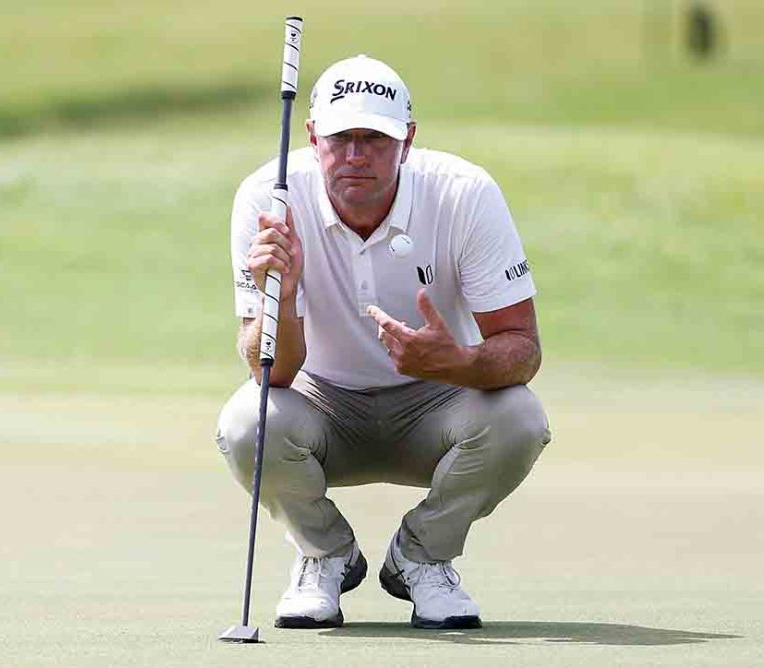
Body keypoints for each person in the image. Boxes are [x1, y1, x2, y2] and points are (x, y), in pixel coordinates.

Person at [215, 54, 551, 631]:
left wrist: (457, 362)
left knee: (520, 416)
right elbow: (272, 371)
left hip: (436, 402)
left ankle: (422, 556)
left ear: (408, 141)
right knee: (248, 421)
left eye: (375, 138)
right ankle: (325, 555)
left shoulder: (464, 194)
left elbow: (523, 349)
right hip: (320, 403)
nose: (355, 155)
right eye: (341, 137)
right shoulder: (269, 199)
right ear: (313, 135)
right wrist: (286, 294)